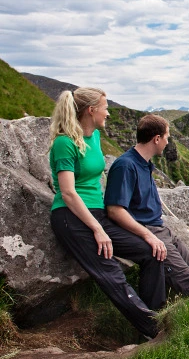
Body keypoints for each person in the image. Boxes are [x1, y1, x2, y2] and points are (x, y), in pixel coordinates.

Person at [49, 88, 166, 339]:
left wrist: (143, 233)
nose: (108, 113)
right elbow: (68, 193)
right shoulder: (64, 143)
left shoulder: (94, 137)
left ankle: (158, 317)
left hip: (97, 214)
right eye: (105, 107)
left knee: (151, 252)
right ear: (91, 110)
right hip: (72, 218)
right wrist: (97, 229)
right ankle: (154, 332)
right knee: (111, 274)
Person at [105, 114, 189, 298]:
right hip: (147, 230)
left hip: (160, 229)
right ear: (156, 139)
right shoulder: (126, 166)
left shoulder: (144, 164)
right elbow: (114, 210)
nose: (167, 142)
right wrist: (148, 236)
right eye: (166, 137)